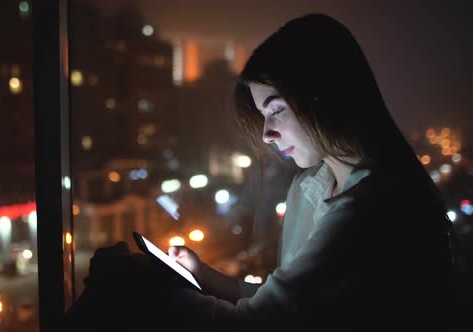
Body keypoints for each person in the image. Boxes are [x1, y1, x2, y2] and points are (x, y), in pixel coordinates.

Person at [68, 13, 456, 332]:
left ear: (321, 96)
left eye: (276, 109)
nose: (268, 134)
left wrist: (139, 286)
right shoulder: (311, 188)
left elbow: (262, 325)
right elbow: (288, 303)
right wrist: (204, 275)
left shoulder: (369, 209)